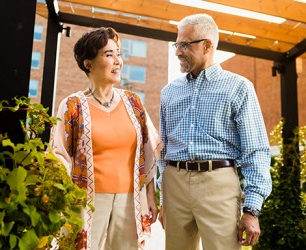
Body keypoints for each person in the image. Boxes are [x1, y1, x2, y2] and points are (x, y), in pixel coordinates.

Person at [157, 14, 272, 250]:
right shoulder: (169, 92)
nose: (177, 51)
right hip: (174, 185)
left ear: (207, 45)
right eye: (176, 44)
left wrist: (251, 209)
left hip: (218, 184)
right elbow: (163, 149)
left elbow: (256, 150)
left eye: (184, 44)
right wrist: (163, 199)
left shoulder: (239, 87)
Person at [50, 27, 160, 250]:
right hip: (86, 202)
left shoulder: (133, 103)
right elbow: (59, 155)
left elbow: (150, 151)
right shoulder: (72, 106)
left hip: (129, 202)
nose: (118, 61)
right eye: (109, 55)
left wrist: (151, 195)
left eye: (119, 54)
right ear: (88, 63)